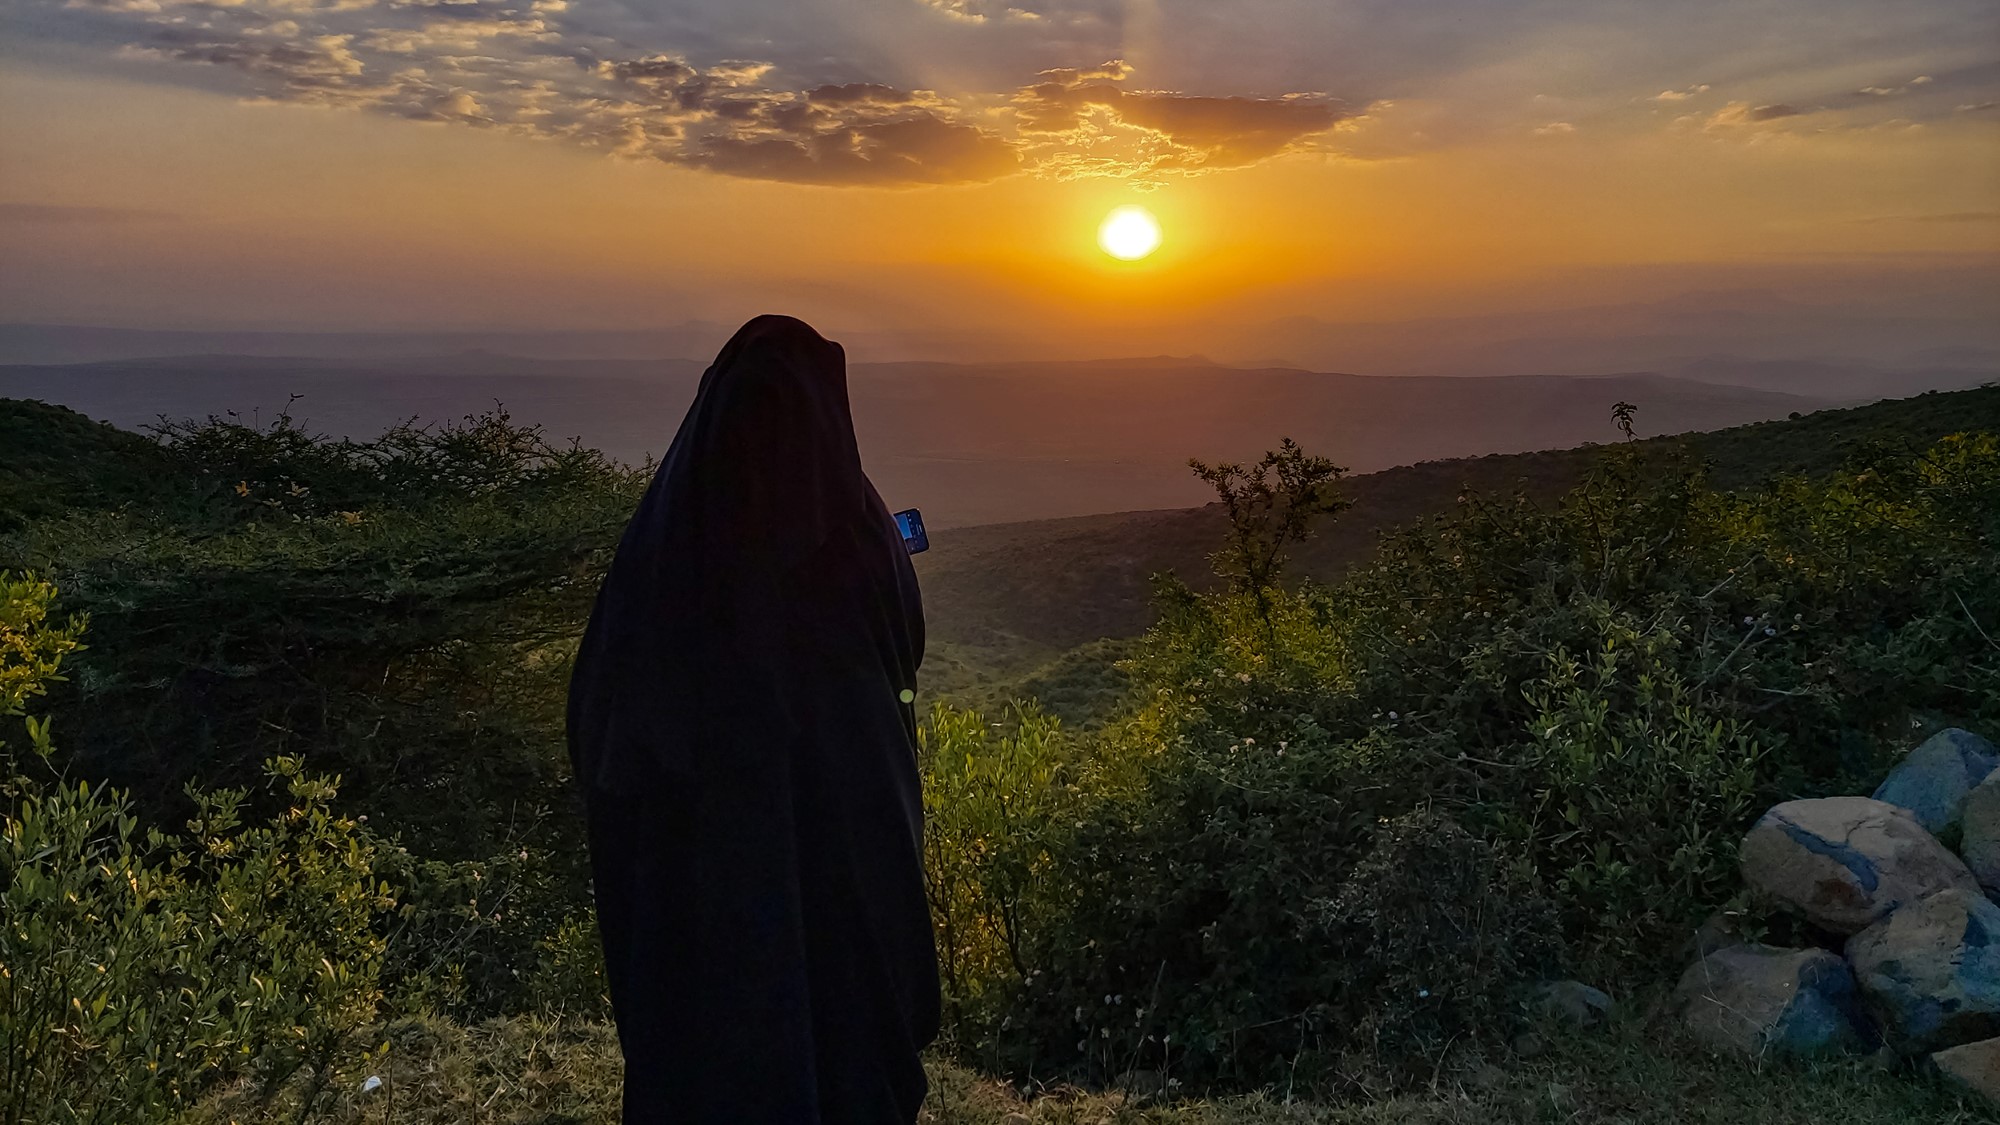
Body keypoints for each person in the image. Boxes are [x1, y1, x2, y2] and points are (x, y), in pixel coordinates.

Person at [567, 315, 940, 1123]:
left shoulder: (663, 554)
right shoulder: (857, 537)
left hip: (698, 922)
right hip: (844, 896)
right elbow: (898, 665)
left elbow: (602, 731)